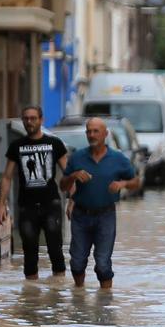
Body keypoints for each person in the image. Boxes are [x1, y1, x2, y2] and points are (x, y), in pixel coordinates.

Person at [60, 118, 141, 288]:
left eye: (96, 131)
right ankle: (78, 298)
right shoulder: (77, 158)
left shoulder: (118, 158)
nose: (92, 135)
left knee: (103, 264)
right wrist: (73, 176)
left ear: (105, 134)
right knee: (77, 263)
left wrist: (123, 184)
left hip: (106, 216)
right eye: (89, 131)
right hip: (81, 216)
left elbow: (136, 182)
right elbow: (63, 185)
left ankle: (105, 303)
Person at [0, 105, 69, 279]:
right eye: (26, 119)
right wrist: (1, 204)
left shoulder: (55, 143)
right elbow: (7, 177)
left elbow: (68, 174)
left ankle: (58, 292)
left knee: (55, 250)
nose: (29, 122)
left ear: (41, 120)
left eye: (33, 118)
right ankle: (31, 296)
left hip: (51, 203)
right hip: (26, 206)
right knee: (29, 253)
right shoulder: (16, 146)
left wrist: (73, 200)